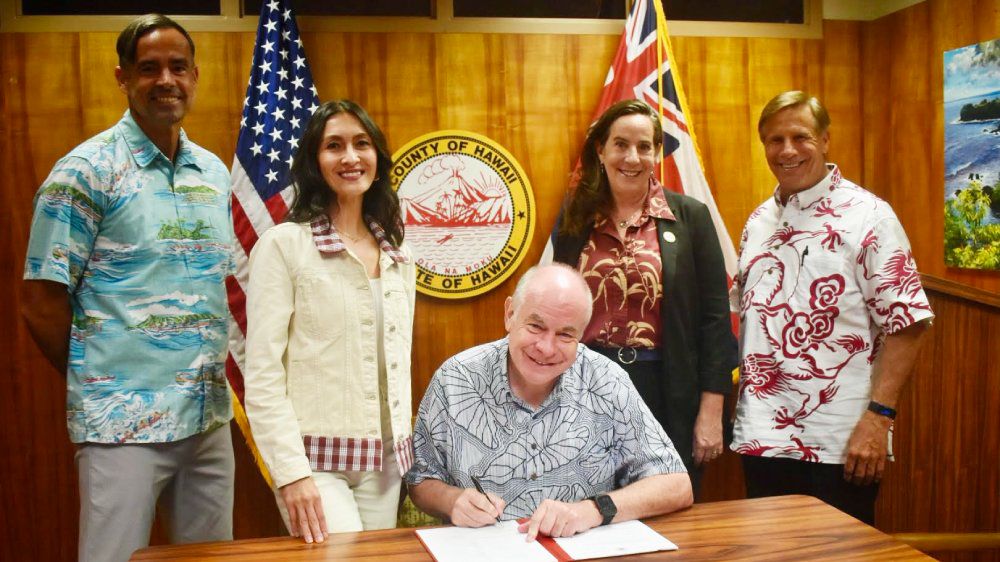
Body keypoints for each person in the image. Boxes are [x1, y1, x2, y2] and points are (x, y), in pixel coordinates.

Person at [20, 15, 234, 562]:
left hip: (208, 420)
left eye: (178, 67)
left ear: (195, 75)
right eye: (149, 68)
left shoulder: (212, 173)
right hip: (121, 427)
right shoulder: (86, 172)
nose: (166, 79)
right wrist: (103, 382)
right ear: (123, 78)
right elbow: (41, 302)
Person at [730, 91, 933, 525]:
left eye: (800, 136)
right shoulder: (757, 221)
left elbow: (909, 323)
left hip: (839, 444)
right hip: (761, 437)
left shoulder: (869, 217)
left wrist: (879, 419)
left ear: (825, 140)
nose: (787, 150)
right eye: (774, 139)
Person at [406, 264, 693, 541]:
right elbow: (420, 481)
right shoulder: (455, 378)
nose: (546, 347)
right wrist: (452, 500)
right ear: (510, 314)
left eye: (565, 334)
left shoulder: (606, 380)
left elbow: (677, 485)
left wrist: (592, 510)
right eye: (535, 326)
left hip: (583, 550)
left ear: (582, 334)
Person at [243, 100, 416, 544]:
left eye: (362, 144)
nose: (350, 157)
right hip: (314, 461)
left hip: (385, 464)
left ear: (378, 158)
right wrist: (291, 474)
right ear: (314, 163)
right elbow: (261, 374)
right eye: (333, 146)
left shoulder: (400, 257)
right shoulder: (284, 247)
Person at [549, 99, 737, 489]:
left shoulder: (690, 218)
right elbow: (557, 309)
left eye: (644, 146)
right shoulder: (574, 218)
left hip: (667, 389)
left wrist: (710, 411)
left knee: (665, 506)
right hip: (587, 387)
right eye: (620, 144)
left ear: (656, 153)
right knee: (587, 505)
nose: (632, 157)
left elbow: (716, 320)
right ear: (600, 150)